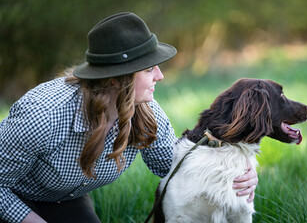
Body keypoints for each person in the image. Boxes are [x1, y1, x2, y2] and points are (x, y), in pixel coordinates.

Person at [0, 12, 258, 223]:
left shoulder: (146, 111)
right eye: (149, 69)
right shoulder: (43, 115)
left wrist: (239, 174)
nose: (160, 76)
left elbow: (174, 167)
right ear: (116, 80)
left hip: (66, 200)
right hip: (12, 199)